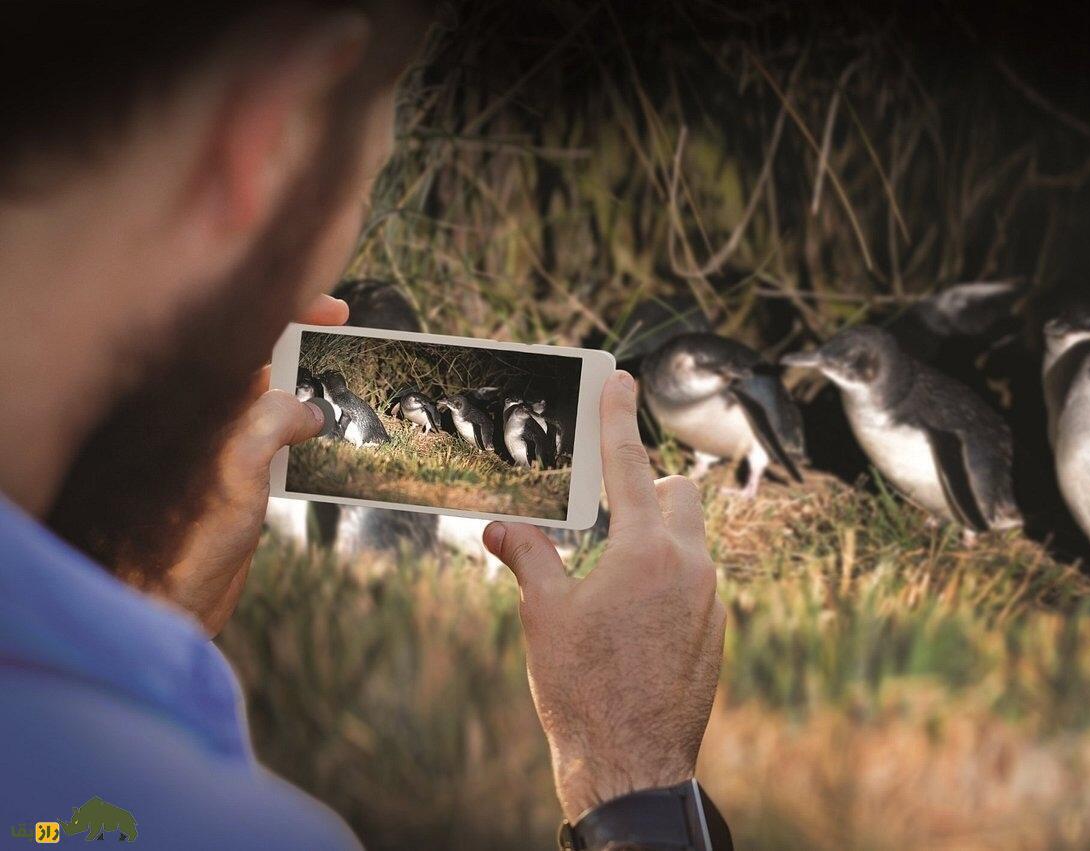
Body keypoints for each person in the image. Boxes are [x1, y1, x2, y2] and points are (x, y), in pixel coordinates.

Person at [0, 3, 728, 849]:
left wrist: (131, 633)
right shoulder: (227, 832)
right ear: (272, 133)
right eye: (365, 180)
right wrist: (634, 779)